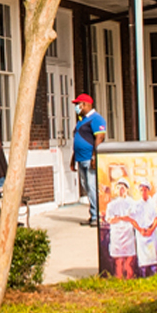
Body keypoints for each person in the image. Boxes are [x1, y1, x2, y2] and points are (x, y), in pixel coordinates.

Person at [71, 93, 107, 226]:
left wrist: (94, 156)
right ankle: (93, 213)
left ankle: (97, 216)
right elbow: (78, 140)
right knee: (86, 187)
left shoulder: (96, 119)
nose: (76, 107)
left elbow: (100, 137)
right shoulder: (81, 120)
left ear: (85, 104)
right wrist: (73, 159)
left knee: (92, 187)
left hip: (89, 158)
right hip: (80, 158)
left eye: (78, 104)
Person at [102, 179, 138, 278]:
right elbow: (109, 219)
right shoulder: (112, 204)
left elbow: (132, 217)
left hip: (128, 234)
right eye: (119, 188)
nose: (121, 190)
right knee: (119, 261)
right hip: (116, 235)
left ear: (126, 189)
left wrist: (120, 218)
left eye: (123, 188)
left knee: (129, 261)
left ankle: (129, 280)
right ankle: (119, 280)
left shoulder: (132, 203)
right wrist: (120, 218)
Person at [132, 180, 157, 277]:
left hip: (152, 233)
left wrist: (151, 229)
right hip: (141, 234)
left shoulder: (153, 204)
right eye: (141, 190)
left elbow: (156, 218)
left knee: (154, 256)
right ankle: (144, 276)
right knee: (143, 259)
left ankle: (155, 276)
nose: (143, 192)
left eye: (145, 190)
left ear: (149, 191)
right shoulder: (136, 205)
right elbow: (133, 220)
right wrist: (140, 229)